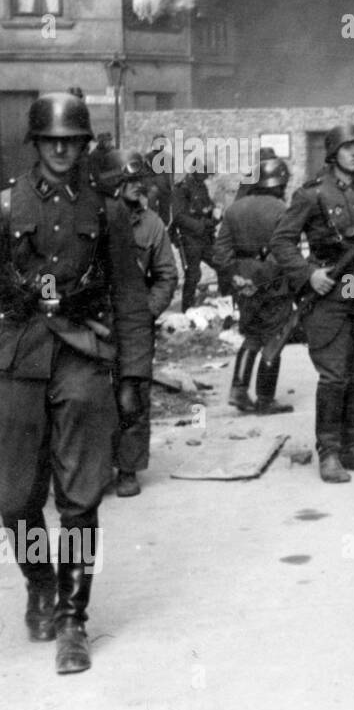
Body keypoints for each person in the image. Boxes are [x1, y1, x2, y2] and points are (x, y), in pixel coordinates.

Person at [0, 92, 153, 674]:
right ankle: (39, 580)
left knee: (81, 498)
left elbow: (131, 300)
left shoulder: (109, 211)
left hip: (84, 355)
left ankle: (72, 617)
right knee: (14, 499)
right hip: (18, 355)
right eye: (51, 140)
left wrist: (133, 374)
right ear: (35, 144)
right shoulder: (6, 206)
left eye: (73, 140)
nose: (62, 149)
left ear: (86, 145)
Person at [270, 123, 354, 483]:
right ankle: (329, 451)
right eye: (348, 148)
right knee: (334, 374)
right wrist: (308, 274)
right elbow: (282, 243)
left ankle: (351, 446)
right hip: (334, 290)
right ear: (333, 153)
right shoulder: (312, 195)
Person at [110, 150, 178, 497]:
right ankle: (92, 467)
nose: (141, 188)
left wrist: (147, 310)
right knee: (90, 396)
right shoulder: (96, 216)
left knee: (131, 396)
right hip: (95, 319)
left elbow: (167, 275)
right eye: (132, 181)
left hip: (135, 322)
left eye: (141, 181)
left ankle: (128, 468)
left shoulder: (151, 224)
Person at [214, 156, 295, 415]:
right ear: (279, 184)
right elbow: (284, 252)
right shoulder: (283, 211)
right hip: (275, 283)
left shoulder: (234, 209)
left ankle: (238, 390)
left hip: (242, 281)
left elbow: (221, 251)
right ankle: (265, 398)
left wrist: (235, 277)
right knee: (275, 337)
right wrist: (264, 278)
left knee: (251, 336)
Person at [171, 158, 220, 311]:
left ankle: (225, 300)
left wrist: (215, 214)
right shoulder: (182, 188)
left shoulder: (201, 186)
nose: (207, 177)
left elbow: (206, 207)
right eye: (205, 174)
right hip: (189, 239)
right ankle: (187, 309)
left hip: (205, 238)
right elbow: (179, 217)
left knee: (221, 263)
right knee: (193, 275)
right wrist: (200, 226)